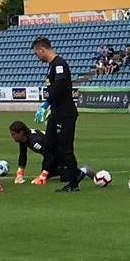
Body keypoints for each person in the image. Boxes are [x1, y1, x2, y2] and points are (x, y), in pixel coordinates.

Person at [33, 36, 83, 191]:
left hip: (65, 113)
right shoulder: (52, 66)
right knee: (49, 144)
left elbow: (60, 87)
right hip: (56, 113)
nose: (37, 56)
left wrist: (46, 104)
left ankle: (73, 183)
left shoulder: (60, 64)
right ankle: (69, 172)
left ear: (42, 50)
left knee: (65, 148)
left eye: (36, 53)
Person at [7, 120, 55, 185]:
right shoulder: (24, 138)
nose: (12, 136)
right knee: (48, 171)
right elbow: (23, 155)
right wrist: (19, 174)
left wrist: (43, 175)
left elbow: (50, 155)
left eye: (13, 134)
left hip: (59, 153)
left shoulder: (35, 141)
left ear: (21, 132)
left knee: (60, 173)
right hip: (52, 153)